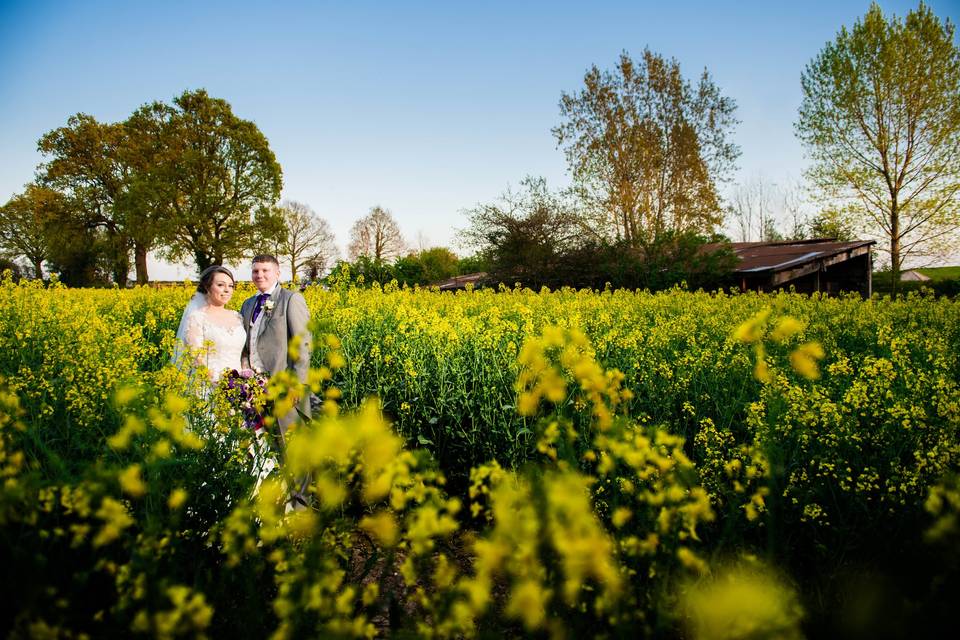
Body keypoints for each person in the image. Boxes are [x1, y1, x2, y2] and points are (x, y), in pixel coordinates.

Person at [240, 254, 312, 509]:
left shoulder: (291, 299)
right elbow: (246, 343)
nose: (260, 275)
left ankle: (301, 505)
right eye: (255, 271)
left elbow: (302, 344)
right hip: (255, 387)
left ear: (277, 273)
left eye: (265, 270)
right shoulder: (248, 304)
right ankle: (279, 502)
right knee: (266, 445)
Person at [173, 265, 245, 386]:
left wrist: (246, 378)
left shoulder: (237, 316)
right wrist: (221, 383)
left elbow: (244, 352)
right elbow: (195, 356)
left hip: (239, 387)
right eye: (220, 285)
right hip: (209, 385)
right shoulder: (197, 317)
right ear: (207, 287)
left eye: (231, 286)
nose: (227, 290)